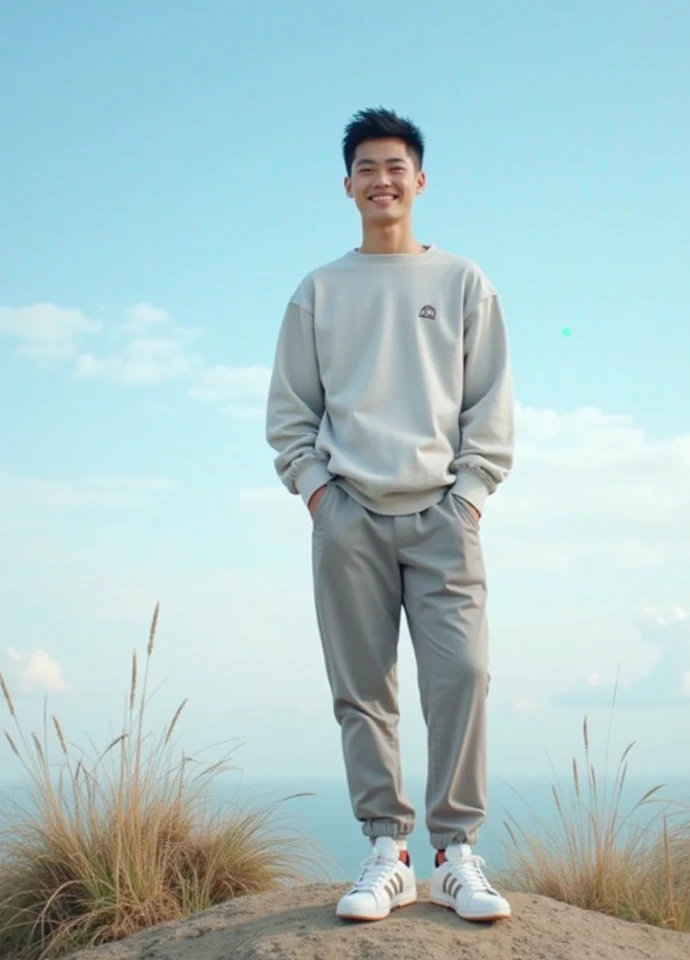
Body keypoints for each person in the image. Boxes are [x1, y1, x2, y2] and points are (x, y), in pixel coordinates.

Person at [265, 107, 514, 924]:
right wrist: (318, 495)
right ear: (347, 186)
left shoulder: (464, 283)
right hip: (350, 516)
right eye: (366, 167)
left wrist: (471, 497)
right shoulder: (320, 290)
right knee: (363, 689)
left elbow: (489, 404)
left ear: (420, 180)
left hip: (445, 515)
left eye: (396, 166)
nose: (382, 179)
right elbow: (291, 413)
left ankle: (456, 855)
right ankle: (388, 849)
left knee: (464, 678)